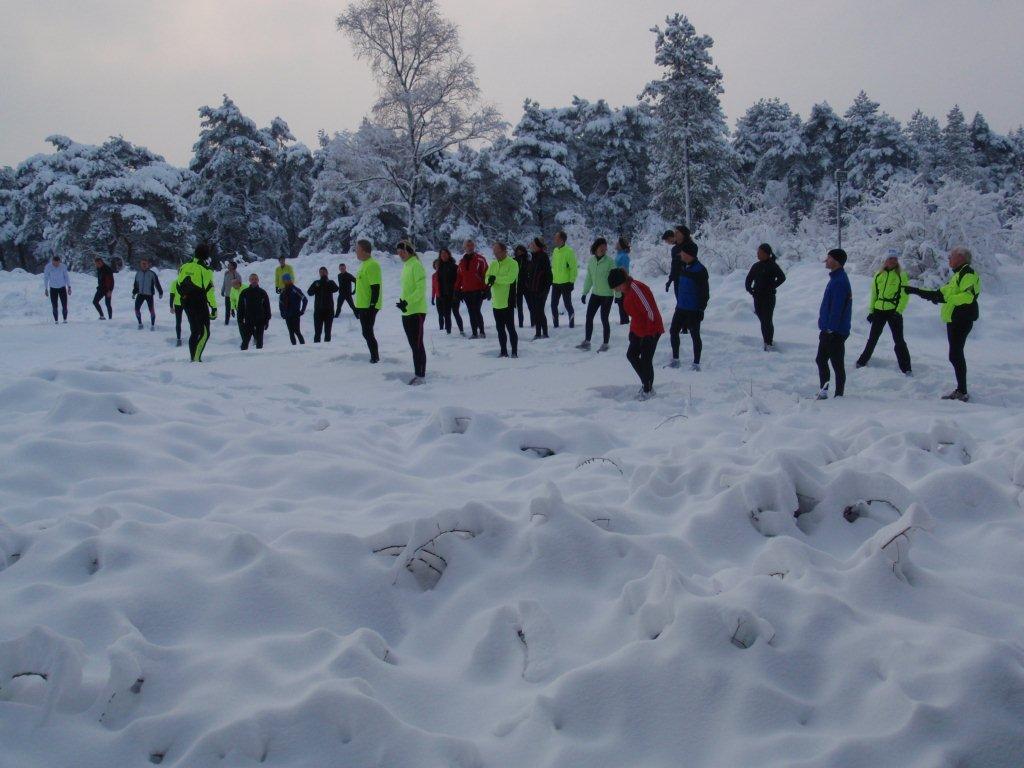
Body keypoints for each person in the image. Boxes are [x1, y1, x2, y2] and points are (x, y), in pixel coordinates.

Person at [905, 246, 981, 402]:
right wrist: (915, 291)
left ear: (960, 258)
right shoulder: (958, 275)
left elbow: (968, 297)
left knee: (955, 355)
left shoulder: (968, 274)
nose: (948, 258)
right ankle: (961, 390)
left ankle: (962, 392)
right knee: (955, 355)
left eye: (951, 256)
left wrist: (947, 299)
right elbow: (940, 293)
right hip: (954, 320)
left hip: (962, 320)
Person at [607, 268, 664, 400]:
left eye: (616, 287)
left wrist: (650, 333)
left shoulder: (637, 288)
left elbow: (650, 311)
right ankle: (646, 384)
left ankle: (648, 390)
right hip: (639, 329)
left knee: (646, 359)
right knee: (631, 355)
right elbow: (636, 315)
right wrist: (633, 332)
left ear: (622, 282)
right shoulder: (627, 291)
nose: (616, 290)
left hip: (652, 328)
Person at [855, 249, 911, 374]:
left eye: (895, 259)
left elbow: (904, 295)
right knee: (872, 338)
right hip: (879, 310)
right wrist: (871, 311)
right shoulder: (879, 274)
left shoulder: (901, 275)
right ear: (885, 260)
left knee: (899, 340)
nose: (893, 261)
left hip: (893, 311)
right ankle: (862, 361)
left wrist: (899, 311)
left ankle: (906, 368)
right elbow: (874, 294)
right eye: (890, 258)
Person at [815, 248, 853, 399]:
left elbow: (837, 308)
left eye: (829, 258)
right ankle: (824, 392)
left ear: (836, 261)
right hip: (830, 329)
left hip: (834, 331)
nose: (826, 260)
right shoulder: (836, 278)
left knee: (836, 363)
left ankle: (838, 395)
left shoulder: (839, 281)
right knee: (821, 360)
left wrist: (831, 329)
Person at [668, 246, 710, 371]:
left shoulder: (700, 270)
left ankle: (696, 364)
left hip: (693, 309)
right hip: (681, 307)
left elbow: (705, 293)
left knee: (695, 335)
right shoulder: (683, 266)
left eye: (682, 252)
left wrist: (701, 309)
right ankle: (675, 360)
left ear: (688, 254)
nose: (680, 254)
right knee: (673, 331)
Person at [175, 244, 218, 362]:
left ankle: (193, 358)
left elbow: (178, 285)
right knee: (205, 333)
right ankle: (196, 360)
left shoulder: (184, 266)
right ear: (206, 256)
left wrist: (184, 297)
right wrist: (214, 308)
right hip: (199, 303)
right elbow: (209, 291)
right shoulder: (206, 270)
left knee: (194, 331)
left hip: (186, 302)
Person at [744, 243, 787, 350]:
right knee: (762, 319)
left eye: (760, 252)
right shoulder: (756, 266)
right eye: (758, 252)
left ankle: (768, 342)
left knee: (766, 320)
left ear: (766, 254)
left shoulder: (773, 265)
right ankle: (766, 340)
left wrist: (772, 286)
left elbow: (782, 277)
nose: (758, 254)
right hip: (757, 297)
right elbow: (748, 279)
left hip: (769, 297)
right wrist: (750, 290)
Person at [396, 242, 428, 384]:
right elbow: (408, 289)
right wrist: (403, 303)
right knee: (413, 344)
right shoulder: (406, 266)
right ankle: (417, 374)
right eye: (399, 252)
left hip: (417, 311)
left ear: (409, 251)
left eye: (403, 252)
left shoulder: (416, 265)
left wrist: (407, 301)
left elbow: (420, 290)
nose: (401, 255)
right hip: (407, 311)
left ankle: (420, 376)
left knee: (417, 344)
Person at [578, 237, 615, 351]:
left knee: (604, 318)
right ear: (596, 248)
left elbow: (616, 279)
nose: (603, 249)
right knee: (589, 317)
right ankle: (587, 342)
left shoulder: (610, 262)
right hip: (595, 294)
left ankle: (605, 344)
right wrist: (585, 293)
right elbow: (589, 278)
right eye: (601, 247)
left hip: (607, 295)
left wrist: (618, 296)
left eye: (605, 247)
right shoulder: (592, 261)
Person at [486, 242, 520, 358]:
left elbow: (510, 279)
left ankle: (514, 352)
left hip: (508, 300)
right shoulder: (493, 264)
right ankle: (503, 351)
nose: (496, 255)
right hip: (496, 301)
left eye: (498, 252)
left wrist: (495, 279)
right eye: (494, 253)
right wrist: (489, 279)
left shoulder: (513, 263)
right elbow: (486, 277)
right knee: (500, 329)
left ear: (504, 251)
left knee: (510, 328)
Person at [353, 239, 383, 363]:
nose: (356, 251)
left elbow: (375, 287)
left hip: (369, 306)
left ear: (365, 251)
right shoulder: (363, 265)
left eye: (357, 249)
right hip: (362, 305)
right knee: (366, 332)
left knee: (367, 332)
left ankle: (375, 358)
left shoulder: (372, 265)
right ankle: (374, 357)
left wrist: (372, 306)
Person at [455, 239, 488, 338]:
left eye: (471, 245)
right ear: (464, 248)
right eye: (468, 245)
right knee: (470, 311)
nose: (470, 247)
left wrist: (486, 289)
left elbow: (486, 274)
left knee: (476, 310)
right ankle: (474, 333)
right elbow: (459, 277)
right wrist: (457, 290)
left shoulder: (480, 259)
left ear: (474, 246)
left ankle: (482, 331)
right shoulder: (461, 262)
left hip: (478, 290)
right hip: (466, 291)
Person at [550, 231, 578, 328]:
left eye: (556, 238)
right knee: (553, 305)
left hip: (566, 283)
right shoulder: (555, 251)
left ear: (562, 240)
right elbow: (553, 266)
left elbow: (573, 268)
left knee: (567, 304)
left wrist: (571, 282)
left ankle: (571, 325)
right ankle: (556, 325)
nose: (555, 240)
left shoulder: (569, 251)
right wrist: (552, 278)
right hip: (555, 283)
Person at [237, 273, 271, 350]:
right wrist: (240, 320)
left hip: (260, 320)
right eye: (252, 279)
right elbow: (240, 308)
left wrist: (267, 320)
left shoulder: (262, 292)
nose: (254, 281)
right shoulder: (244, 293)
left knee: (259, 341)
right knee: (245, 341)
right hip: (248, 320)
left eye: (255, 279)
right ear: (249, 280)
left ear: (258, 280)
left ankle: (259, 356)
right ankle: (243, 355)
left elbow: (267, 308)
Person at [526, 238, 552, 339]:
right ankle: (537, 333)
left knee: (540, 311)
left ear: (538, 246)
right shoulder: (533, 257)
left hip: (541, 290)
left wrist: (545, 290)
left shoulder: (543, 257)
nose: (531, 245)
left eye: (533, 244)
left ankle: (545, 333)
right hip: (533, 289)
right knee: (535, 312)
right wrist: (528, 284)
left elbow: (549, 276)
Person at [435, 248, 464, 335]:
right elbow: (439, 282)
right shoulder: (440, 268)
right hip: (444, 295)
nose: (443, 255)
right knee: (446, 314)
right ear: (440, 256)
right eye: (442, 254)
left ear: (449, 254)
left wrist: (459, 292)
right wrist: (439, 294)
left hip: (454, 294)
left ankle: (461, 331)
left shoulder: (454, 266)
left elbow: (460, 280)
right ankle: (448, 333)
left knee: (456, 312)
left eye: (445, 253)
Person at [307, 266, 339, 343]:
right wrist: (315, 286)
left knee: (328, 332)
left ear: (327, 273)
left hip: (329, 311)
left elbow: (336, 289)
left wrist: (328, 282)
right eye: (321, 272)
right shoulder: (316, 282)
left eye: (324, 272)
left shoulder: (330, 282)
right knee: (317, 332)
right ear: (319, 273)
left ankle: (327, 348)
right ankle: (316, 347)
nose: (322, 273)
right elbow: (309, 293)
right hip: (318, 310)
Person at [132, 259, 164, 330]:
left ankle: (152, 325)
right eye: (142, 264)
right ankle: (140, 324)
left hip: (149, 295)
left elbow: (157, 284)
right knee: (136, 309)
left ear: (148, 264)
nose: (144, 265)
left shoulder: (152, 274)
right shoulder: (138, 274)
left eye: (145, 264)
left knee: (151, 310)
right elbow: (136, 285)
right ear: (140, 265)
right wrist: (134, 293)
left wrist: (160, 292)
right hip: (140, 294)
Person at [665, 225, 698, 294]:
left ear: (683, 234)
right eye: (675, 232)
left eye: (677, 232)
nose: (675, 234)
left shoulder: (691, 246)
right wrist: (670, 280)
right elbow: (674, 266)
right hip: (678, 279)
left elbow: (692, 263)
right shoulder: (675, 249)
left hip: (689, 279)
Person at [278, 273, 307, 345]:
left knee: (297, 332)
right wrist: (282, 313)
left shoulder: (295, 290)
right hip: (287, 315)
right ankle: (293, 348)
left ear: (291, 280)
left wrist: (302, 311)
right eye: (285, 280)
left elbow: (305, 300)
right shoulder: (283, 291)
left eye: (288, 279)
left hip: (295, 314)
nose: (287, 281)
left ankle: (303, 347)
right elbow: (280, 304)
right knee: (291, 333)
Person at [43, 255, 71, 324]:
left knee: (64, 304)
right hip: (53, 288)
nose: (56, 264)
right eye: (55, 263)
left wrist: (69, 287)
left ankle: (65, 319)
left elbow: (66, 277)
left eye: (58, 263)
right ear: (52, 261)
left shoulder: (63, 267)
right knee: (54, 305)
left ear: (59, 262)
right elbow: (46, 278)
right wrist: (46, 288)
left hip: (62, 288)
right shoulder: (48, 267)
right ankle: (56, 320)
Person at [614, 237, 631, 325]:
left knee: (622, 302)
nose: (616, 244)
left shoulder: (624, 256)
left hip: (622, 282)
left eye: (618, 243)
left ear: (621, 245)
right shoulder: (619, 255)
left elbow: (625, 271)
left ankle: (625, 322)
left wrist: (621, 283)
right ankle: (624, 321)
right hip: (618, 282)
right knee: (620, 302)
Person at [220, 260, 241, 325]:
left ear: (233, 267)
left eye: (229, 265)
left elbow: (240, 285)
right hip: (227, 294)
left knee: (237, 308)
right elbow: (224, 282)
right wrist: (222, 290)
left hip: (235, 295)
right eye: (228, 265)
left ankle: (240, 320)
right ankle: (226, 322)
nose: (228, 266)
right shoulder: (226, 273)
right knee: (227, 309)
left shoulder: (237, 275)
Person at [513, 244, 529, 327]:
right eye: (518, 251)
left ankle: (533, 323)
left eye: (521, 251)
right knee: (519, 307)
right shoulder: (513, 261)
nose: (519, 253)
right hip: (517, 287)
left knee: (531, 305)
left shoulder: (527, 261)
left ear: (524, 252)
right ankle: (520, 324)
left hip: (527, 286)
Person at [168, 275, 184, 346]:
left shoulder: (189, 282)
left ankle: (195, 336)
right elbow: (172, 295)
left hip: (188, 304)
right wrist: (171, 306)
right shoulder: (175, 283)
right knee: (178, 322)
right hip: (178, 305)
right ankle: (178, 339)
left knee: (192, 321)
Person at [229, 277, 244, 343]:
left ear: (239, 283)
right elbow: (232, 299)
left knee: (249, 324)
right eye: (232, 284)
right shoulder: (233, 289)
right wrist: (232, 309)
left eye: (235, 284)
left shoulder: (245, 288)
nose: (233, 286)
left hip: (247, 309)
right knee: (240, 324)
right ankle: (243, 338)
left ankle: (255, 337)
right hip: (239, 309)